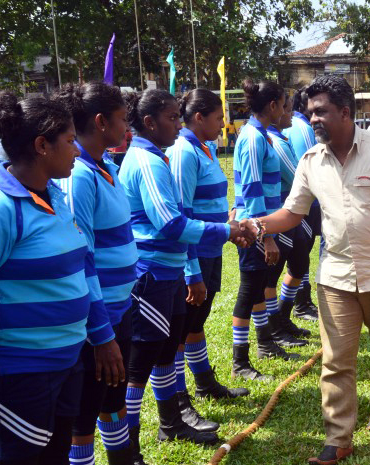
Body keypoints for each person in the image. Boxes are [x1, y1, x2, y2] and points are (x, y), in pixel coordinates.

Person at [242, 75, 370, 465]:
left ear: (345, 112)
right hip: (336, 278)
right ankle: (338, 437)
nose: (313, 119)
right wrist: (257, 225)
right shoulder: (311, 160)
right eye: (310, 112)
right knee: (336, 361)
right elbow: (292, 213)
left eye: (321, 111)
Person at [118, 89, 252, 457]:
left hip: (170, 270)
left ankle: (171, 422)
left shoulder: (157, 157)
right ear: (149, 123)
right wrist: (227, 231)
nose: (179, 124)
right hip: (152, 274)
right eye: (173, 118)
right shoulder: (147, 161)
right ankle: (129, 449)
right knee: (140, 367)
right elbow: (171, 223)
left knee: (165, 353)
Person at [0, 92, 117, 464]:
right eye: (69, 141)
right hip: (23, 373)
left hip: (68, 361)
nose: (77, 150)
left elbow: (84, 267)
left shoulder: (55, 196)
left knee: (57, 453)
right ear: (41, 146)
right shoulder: (3, 208)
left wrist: (102, 334)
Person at [51, 82, 137, 465]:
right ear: (101, 122)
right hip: (97, 323)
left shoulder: (106, 166)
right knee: (84, 416)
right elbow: (83, 258)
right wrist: (101, 334)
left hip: (120, 309)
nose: (127, 126)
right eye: (122, 118)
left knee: (113, 400)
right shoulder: (80, 176)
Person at [166, 89, 250, 432]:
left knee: (196, 322)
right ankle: (178, 398)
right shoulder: (183, 152)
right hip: (195, 256)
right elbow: (182, 215)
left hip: (212, 251)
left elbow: (210, 201)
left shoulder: (206, 148)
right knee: (179, 331)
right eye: (218, 118)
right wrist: (191, 272)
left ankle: (204, 382)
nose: (223, 124)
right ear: (199, 117)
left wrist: (228, 227)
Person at [231, 78, 299, 382]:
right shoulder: (253, 138)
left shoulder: (260, 134)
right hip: (253, 227)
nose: (285, 110)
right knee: (248, 290)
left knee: (258, 286)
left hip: (260, 224)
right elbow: (252, 188)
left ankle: (265, 343)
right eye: (283, 105)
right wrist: (266, 236)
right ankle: (239, 361)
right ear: (272, 106)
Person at [263, 95, 312, 346]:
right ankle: (274, 326)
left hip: (291, 212)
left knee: (300, 263)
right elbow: (296, 178)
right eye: (287, 109)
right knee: (272, 274)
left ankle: (282, 315)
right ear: (274, 110)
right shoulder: (274, 141)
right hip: (281, 213)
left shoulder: (280, 138)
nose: (291, 114)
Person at [282, 86, 320, 321]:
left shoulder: (293, 125)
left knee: (300, 254)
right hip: (304, 201)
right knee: (301, 253)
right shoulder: (303, 128)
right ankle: (302, 303)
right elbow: (312, 166)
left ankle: (299, 303)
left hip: (294, 200)